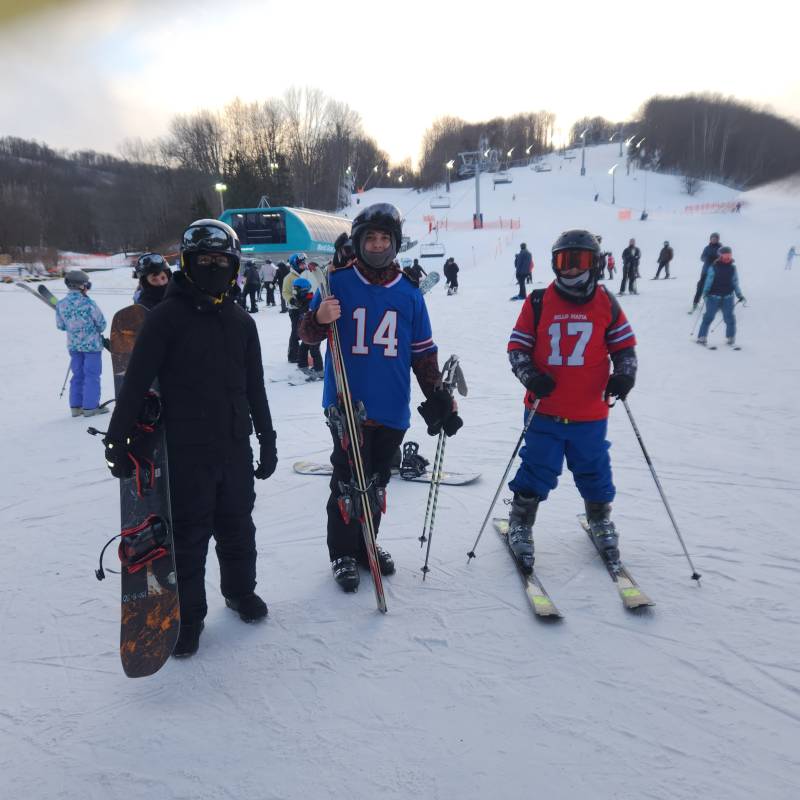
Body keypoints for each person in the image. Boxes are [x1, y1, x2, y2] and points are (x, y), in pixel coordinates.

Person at [102, 219, 278, 658]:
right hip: (186, 451)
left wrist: (268, 438)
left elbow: (255, 385)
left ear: (234, 265)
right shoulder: (166, 318)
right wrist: (116, 439)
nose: (214, 268)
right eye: (205, 261)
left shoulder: (241, 322)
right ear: (189, 263)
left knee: (238, 527)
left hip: (235, 445)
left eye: (222, 261)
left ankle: (240, 592)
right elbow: (137, 380)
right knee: (190, 537)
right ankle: (191, 616)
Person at [298, 202, 461, 593]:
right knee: (346, 482)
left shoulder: (408, 293)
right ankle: (342, 551)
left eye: (384, 238)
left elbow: (423, 353)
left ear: (395, 242)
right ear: (358, 240)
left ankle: (365, 544)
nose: (376, 244)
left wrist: (437, 394)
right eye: (369, 237)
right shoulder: (336, 281)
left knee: (376, 481)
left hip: (390, 405)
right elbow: (306, 333)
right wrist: (319, 320)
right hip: (346, 404)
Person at [505, 229, 637, 573]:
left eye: (580, 261)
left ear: (594, 263)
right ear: (554, 264)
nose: (572, 269)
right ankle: (521, 520)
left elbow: (624, 349)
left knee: (594, 467)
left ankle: (599, 517)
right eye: (565, 261)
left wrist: (624, 375)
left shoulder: (606, 302)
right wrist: (530, 376)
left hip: (589, 411)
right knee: (537, 467)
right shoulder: (537, 302)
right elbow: (517, 348)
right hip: (544, 409)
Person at [55, 269, 108, 418]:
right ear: (81, 286)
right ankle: (90, 407)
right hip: (92, 346)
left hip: (74, 346)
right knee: (92, 375)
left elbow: (61, 326)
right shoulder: (89, 304)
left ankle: (76, 406)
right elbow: (102, 324)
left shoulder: (61, 304)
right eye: (87, 285)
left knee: (78, 374)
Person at [696, 245, 746, 347]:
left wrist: (739, 294)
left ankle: (730, 338)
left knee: (730, 318)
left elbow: (735, 282)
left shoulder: (733, 268)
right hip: (713, 297)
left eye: (729, 255)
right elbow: (708, 281)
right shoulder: (714, 267)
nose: (727, 257)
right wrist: (705, 293)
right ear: (720, 256)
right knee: (708, 317)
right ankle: (702, 337)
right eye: (725, 255)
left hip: (728, 297)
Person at [292, 277, 323, 376]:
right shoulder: (302, 300)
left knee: (314, 349)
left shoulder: (311, 300)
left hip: (315, 331)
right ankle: (302, 365)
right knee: (303, 348)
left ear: (303, 290)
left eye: (295, 290)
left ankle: (319, 370)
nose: (294, 292)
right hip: (306, 331)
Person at [283, 253, 308, 363]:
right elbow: (285, 293)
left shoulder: (305, 274)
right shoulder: (289, 278)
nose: (303, 265)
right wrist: (293, 300)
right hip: (295, 309)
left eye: (304, 263)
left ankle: (301, 354)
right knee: (295, 332)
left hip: (305, 307)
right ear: (295, 265)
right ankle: (292, 355)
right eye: (301, 264)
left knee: (304, 330)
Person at [692, 232, 722, 311]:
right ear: (710, 239)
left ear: (718, 239)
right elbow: (701, 257)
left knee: (715, 287)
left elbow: (723, 258)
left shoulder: (721, 248)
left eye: (715, 238)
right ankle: (695, 302)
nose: (713, 240)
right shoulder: (707, 248)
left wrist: (717, 260)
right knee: (701, 285)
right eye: (712, 238)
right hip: (706, 269)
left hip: (716, 270)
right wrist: (706, 258)